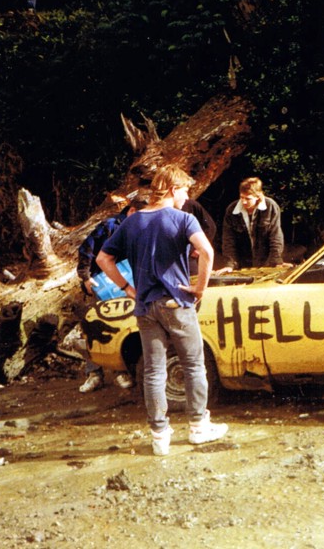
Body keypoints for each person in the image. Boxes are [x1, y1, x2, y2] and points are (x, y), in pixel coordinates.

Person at [96, 166, 228, 456]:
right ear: (170, 189)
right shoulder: (183, 219)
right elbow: (207, 252)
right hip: (176, 302)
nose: (186, 197)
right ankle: (197, 428)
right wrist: (201, 288)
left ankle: (159, 436)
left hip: (145, 306)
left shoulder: (132, 222)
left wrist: (127, 288)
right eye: (184, 191)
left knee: (154, 371)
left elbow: (103, 258)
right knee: (193, 364)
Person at [76, 193, 149, 393]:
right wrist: (85, 276)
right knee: (98, 326)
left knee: (125, 324)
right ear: (132, 211)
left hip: (129, 281)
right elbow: (86, 249)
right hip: (102, 282)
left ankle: (121, 370)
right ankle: (94, 373)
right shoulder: (110, 226)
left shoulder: (141, 227)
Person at [219, 177, 285, 272]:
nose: (244, 202)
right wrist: (229, 264)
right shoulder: (232, 210)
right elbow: (228, 240)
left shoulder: (271, 207)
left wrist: (275, 261)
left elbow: (275, 236)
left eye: (248, 198)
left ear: (258, 196)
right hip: (242, 263)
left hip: (266, 262)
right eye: (241, 197)